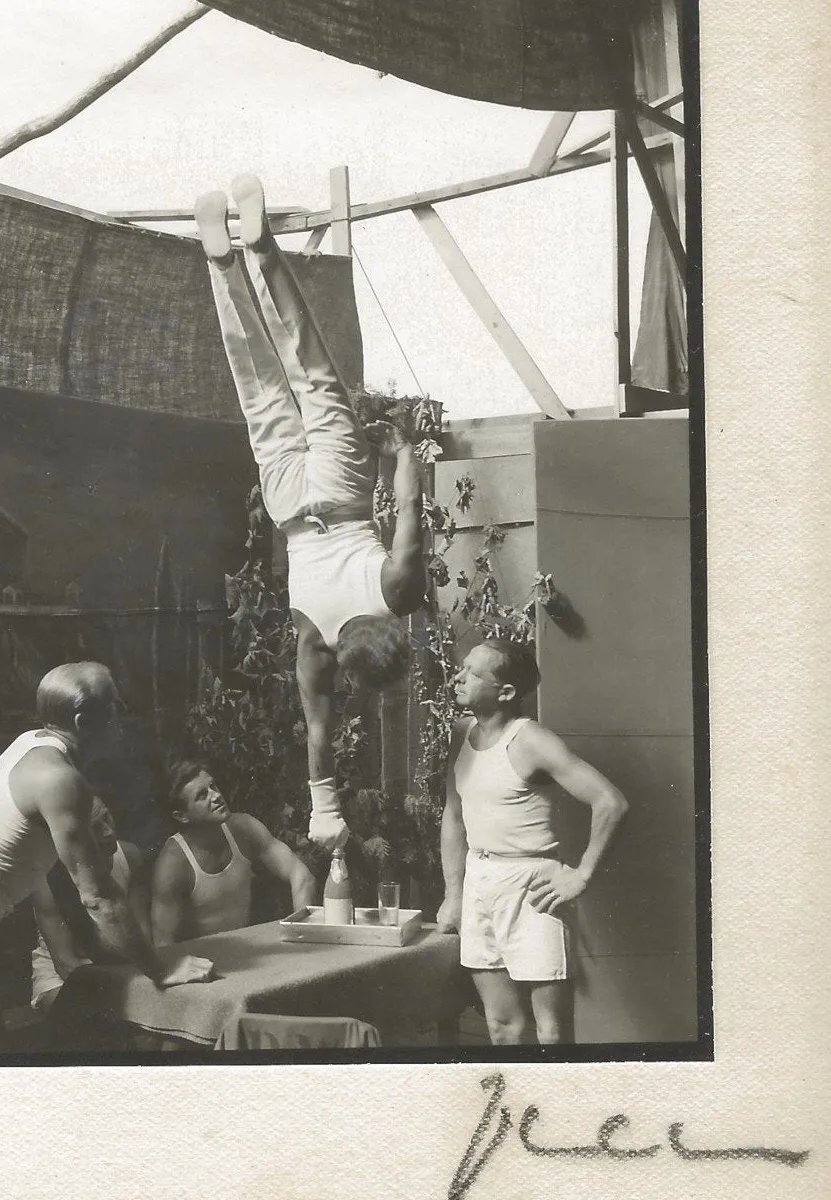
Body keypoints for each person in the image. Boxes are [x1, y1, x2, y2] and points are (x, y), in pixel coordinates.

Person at [196, 174, 426, 851]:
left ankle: (262, 253)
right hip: (290, 509)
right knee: (259, 387)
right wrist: (324, 810)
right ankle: (219, 262)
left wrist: (402, 449)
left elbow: (410, 507)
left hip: (343, 490)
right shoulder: (315, 645)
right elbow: (320, 733)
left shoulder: (396, 593)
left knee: (309, 369)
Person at [0, 662, 214, 1054]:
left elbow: (83, 892)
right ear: (82, 719)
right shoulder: (59, 779)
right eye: (115, 707)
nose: (122, 717)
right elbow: (99, 898)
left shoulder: (33, 743)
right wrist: (161, 969)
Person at [436, 639, 629, 1045]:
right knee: (500, 1028)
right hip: (478, 881)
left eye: (472, 673)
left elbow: (610, 801)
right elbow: (454, 815)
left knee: (551, 1032)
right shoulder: (461, 732)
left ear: (505, 692)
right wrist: (453, 894)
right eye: (463, 668)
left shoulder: (531, 741)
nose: (458, 677)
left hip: (531, 887)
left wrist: (581, 875)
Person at [152, 758, 317, 945]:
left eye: (213, 786)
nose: (215, 796)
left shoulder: (243, 828)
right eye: (202, 795)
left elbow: (301, 874)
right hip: (202, 963)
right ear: (182, 816)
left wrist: (302, 933)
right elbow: (162, 941)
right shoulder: (173, 863)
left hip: (247, 950)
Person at [28, 795, 151, 1011]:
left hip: (126, 965)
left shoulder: (130, 856)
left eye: (107, 818)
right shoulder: (47, 880)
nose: (109, 831)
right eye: (95, 827)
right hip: (63, 978)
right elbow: (66, 964)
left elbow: (143, 936)